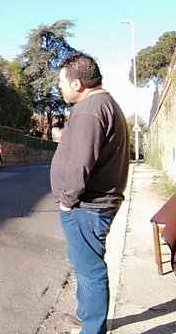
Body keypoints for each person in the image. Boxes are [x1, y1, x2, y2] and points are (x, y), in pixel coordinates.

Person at [50, 53, 130, 334]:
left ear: (78, 83)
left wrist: (67, 201)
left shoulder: (89, 110)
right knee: (84, 264)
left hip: (88, 205)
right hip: (94, 203)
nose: (59, 87)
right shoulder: (103, 104)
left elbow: (79, 161)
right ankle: (86, 316)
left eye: (61, 81)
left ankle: (92, 328)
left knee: (90, 269)